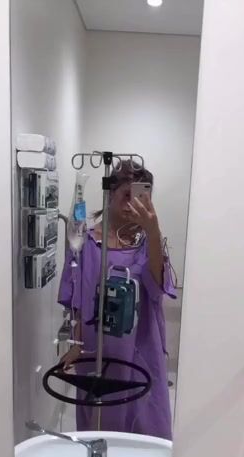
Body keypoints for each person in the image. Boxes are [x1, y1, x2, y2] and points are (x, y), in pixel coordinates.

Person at [58, 161, 175, 441]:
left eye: (141, 197)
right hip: (96, 350)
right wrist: (76, 345)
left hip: (140, 348)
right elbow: (77, 298)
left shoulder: (148, 244)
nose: (132, 204)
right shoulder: (86, 243)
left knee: (144, 426)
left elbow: (157, 286)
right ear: (110, 194)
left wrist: (153, 230)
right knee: (100, 425)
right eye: (126, 195)